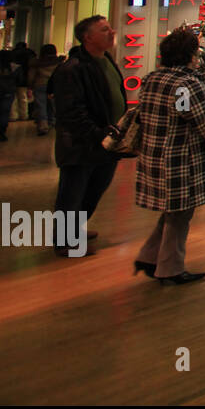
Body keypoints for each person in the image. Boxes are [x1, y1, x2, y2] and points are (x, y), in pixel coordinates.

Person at [133, 28, 205, 285]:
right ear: (191, 54)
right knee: (179, 214)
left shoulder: (153, 80)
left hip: (155, 155)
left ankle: (149, 256)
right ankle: (170, 268)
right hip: (180, 159)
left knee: (174, 212)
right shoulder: (186, 85)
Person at [50, 16, 126, 254]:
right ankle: (64, 241)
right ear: (88, 37)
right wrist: (97, 134)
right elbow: (71, 112)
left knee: (94, 189)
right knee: (72, 192)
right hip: (82, 145)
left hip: (106, 143)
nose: (111, 32)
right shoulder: (72, 69)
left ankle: (75, 230)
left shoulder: (106, 62)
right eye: (104, 30)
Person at [28, 44, 63, 135]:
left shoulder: (37, 63)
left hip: (40, 85)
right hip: (55, 86)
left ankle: (43, 125)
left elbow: (31, 77)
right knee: (52, 105)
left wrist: (30, 86)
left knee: (41, 106)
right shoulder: (59, 62)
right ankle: (52, 122)